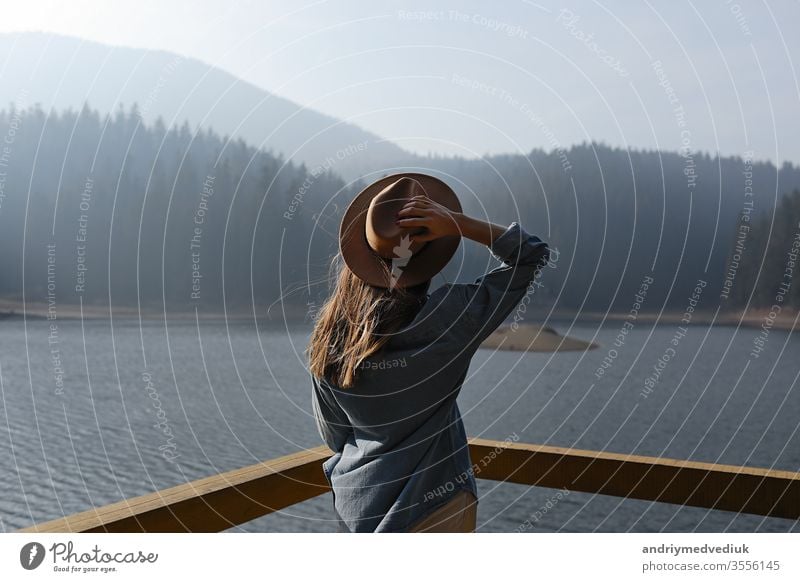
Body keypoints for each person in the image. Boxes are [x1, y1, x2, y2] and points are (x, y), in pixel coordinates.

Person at [307, 173, 550, 532]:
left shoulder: (331, 335)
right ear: (429, 257)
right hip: (436, 510)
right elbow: (530, 255)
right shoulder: (451, 318)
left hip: (358, 510)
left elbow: (334, 436)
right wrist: (459, 224)